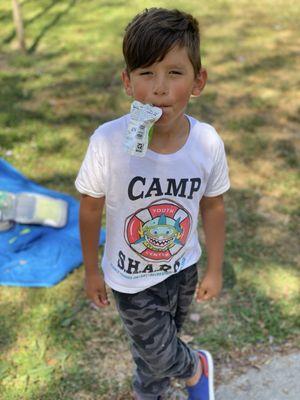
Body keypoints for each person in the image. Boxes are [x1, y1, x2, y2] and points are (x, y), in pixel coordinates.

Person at [75, 7, 230, 400]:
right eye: (147, 73)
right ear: (128, 82)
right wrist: (92, 271)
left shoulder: (207, 142)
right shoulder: (107, 143)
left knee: (155, 353)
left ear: (198, 81)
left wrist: (213, 268)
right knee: (159, 351)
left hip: (182, 269)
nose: (160, 88)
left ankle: (153, 393)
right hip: (130, 278)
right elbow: (90, 206)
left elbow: (213, 206)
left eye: (174, 73)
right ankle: (195, 368)